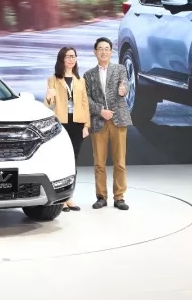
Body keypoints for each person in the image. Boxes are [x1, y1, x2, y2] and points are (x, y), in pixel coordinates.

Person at [83, 37, 132, 211]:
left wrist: (123, 89)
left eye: (106, 48)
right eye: (100, 48)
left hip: (118, 119)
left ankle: (119, 197)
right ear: (95, 52)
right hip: (99, 121)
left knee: (120, 161)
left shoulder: (120, 69)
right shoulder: (88, 75)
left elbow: (125, 84)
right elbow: (86, 98)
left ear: (111, 52)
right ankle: (101, 197)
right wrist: (100, 110)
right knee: (99, 163)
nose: (103, 51)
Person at [44, 46, 90, 212]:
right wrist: (48, 97)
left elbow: (85, 104)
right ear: (61, 59)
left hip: (77, 124)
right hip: (61, 124)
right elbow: (49, 104)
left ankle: (69, 197)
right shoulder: (53, 79)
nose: (71, 59)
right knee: (60, 160)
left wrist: (87, 125)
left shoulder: (80, 80)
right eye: (68, 56)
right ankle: (60, 198)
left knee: (73, 160)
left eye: (73, 56)